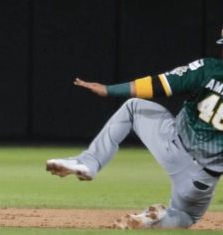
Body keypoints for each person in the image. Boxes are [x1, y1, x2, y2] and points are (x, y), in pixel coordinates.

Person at [46, 32, 223, 229]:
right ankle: (155, 220)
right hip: (202, 176)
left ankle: (90, 163)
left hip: (171, 144)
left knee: (133, 108)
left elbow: (156, 85)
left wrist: (109, 90)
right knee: (186, 216)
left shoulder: (209, 69)